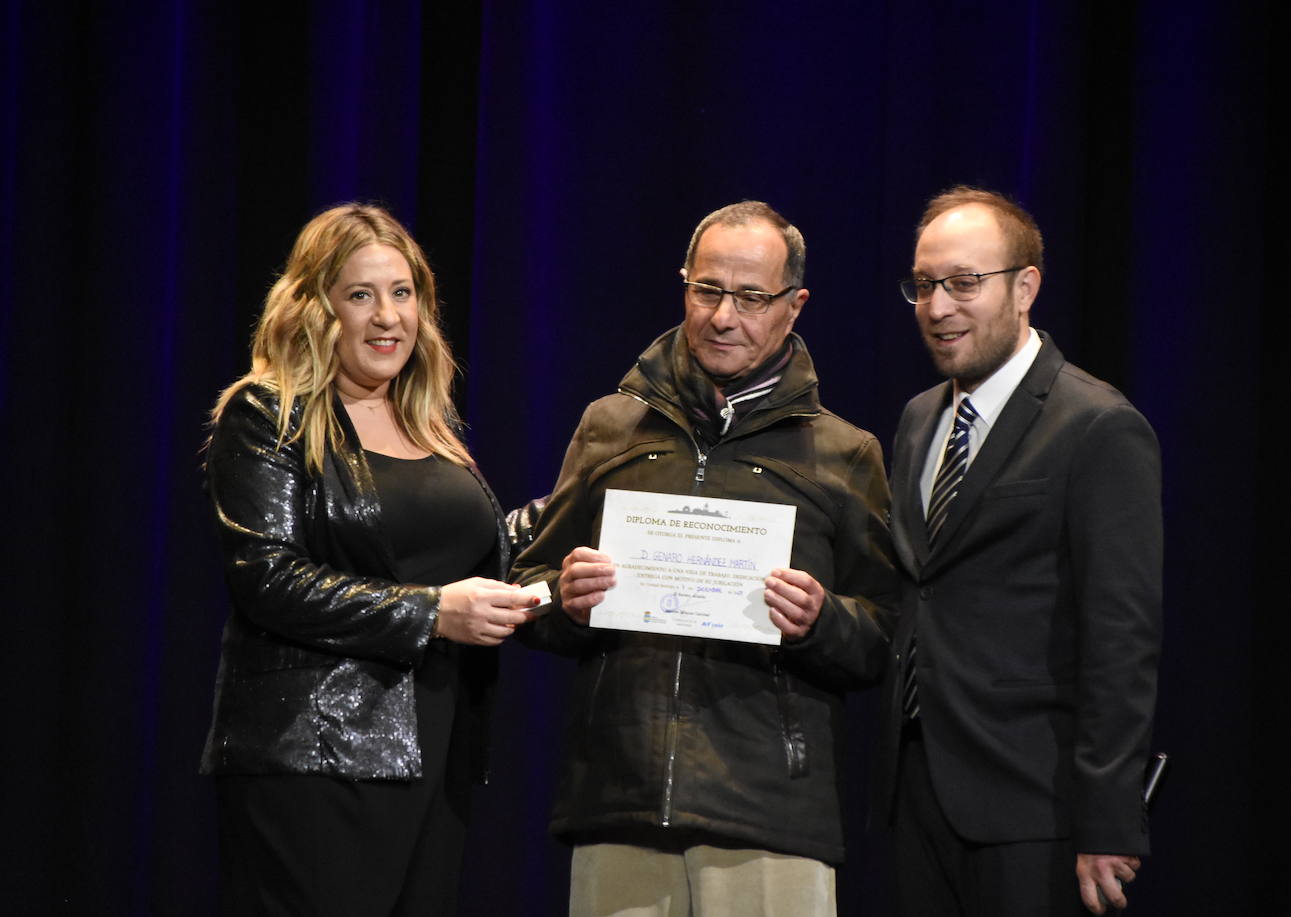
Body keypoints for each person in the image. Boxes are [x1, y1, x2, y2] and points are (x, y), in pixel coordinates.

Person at [511, 201, 898, 917]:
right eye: (707, 290)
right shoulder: (611, 426)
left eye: (751, 297)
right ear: (684, 285)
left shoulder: (847, 454)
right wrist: (562, 597)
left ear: (794, 305)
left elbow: (887, 636)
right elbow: (526, 587)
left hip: (769, 818)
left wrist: (820, 620)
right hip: (619, 801)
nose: (725, 317)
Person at [201, 203, 540, 915]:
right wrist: (433, 612)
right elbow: (268, 576)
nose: (387, 317)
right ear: (317, 307)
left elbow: (469, 555)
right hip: (318, 756)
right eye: (361, 295)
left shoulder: (427, 424)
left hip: (435, 750)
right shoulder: (270, 415)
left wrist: (563, 561)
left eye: (402, 293)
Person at [874, 186, 1163, 916]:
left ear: (1026, 286)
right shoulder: (917, 421)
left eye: (964, 283)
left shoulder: (1096, 427)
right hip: (918, 794)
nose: (938, 308)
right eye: (925, 285)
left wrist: (1109, 817)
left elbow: (1121, 638)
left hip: (1036, 807)